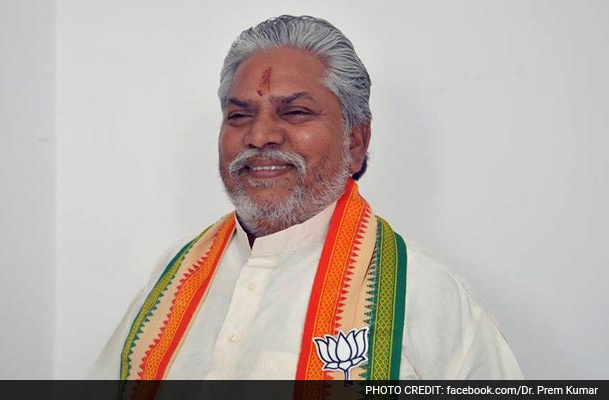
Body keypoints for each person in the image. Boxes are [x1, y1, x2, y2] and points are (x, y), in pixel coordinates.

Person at [91, 15, 522, 381]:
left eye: (295, 112)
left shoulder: (425, 294)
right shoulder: (173, 277)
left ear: (356, 141)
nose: (260, 135)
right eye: (239, 115)